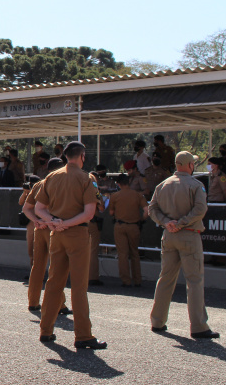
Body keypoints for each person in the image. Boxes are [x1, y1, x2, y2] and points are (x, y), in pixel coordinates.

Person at [34, 141, 106, 349]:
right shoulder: (86, 178)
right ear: (82, 156)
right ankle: (83, 335)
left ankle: (45, 330)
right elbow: (89, 213)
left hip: (56, 234)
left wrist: (54, 221)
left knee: (54, 283)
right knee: (79, 286)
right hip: (76, 233)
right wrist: (66, 223)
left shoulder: (51, 177)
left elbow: (39, 208)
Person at [148, 151, 219, 339]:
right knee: (194, 281)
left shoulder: (162, 185)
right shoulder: (196, 185)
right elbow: (200, 209)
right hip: (188, 235)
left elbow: (152, 208)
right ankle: (199, 326)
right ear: (189, 165)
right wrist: (181, 223)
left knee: (165, 278)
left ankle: (157, 321)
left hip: (168, 235)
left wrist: (166, 222)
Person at [21, 158, 70, 313]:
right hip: (53, 228)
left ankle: (33, 301)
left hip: (39, 228)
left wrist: (37, 221)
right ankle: (59, 303)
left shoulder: (38, 185)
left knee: (38, 266)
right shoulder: (60, 184)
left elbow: (26, 208)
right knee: (56, 268)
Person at [108, 174, 148, 288]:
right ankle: (138, 280)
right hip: (134, 226)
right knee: (135, 253)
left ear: (118, 184)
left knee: (122, 254)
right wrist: (141, 220)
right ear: (129, 182)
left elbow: (111, 213)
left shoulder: (115, 196)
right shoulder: (138, 195)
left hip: (120, 226)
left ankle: (126, 281)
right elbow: (146, 211)